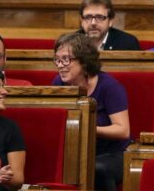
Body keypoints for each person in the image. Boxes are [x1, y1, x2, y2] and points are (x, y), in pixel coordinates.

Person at [51, 32, 130, 190]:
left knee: (97, 169)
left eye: (66, 59)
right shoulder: (58, 83)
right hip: (76, 149)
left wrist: (88, 129)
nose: (60, 65)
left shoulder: (109, 86)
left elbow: (123, 130)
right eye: (57, 60)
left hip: (112, 153)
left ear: (84, 61)